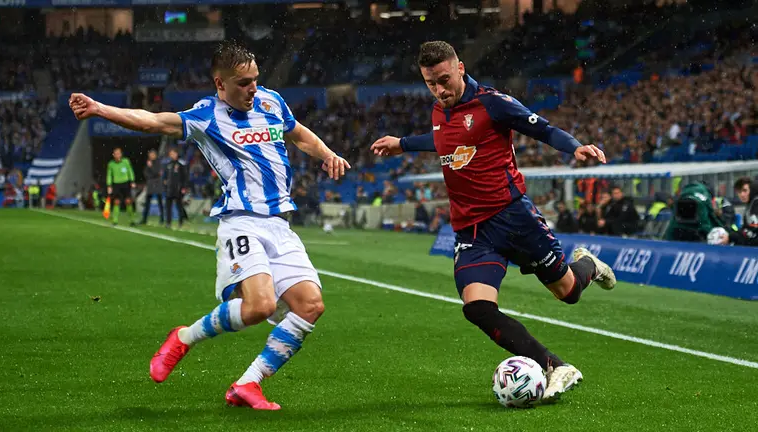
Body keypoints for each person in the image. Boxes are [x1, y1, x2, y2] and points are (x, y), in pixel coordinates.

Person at [68, 39, 350, 410]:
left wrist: (327, 154)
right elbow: (154, 121)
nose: (252, 88)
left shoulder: (271, 102)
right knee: (260, 306)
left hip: (280, 225)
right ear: (220, 83)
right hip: (241, 221)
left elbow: (298, 133)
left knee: (310, 305)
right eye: (243, 83)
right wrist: (99, 108)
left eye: (255, 79)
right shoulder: (206, 116)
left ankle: (248, 384)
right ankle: (183, 337)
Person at [370, 41, 616, 402]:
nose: (439, 90)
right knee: (477, 308)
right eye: (430, 83)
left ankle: (588, 265)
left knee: (569, 293)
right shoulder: (439, 110)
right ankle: (554, 366)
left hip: (513, 217)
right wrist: (403, 143)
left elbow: (542, 128)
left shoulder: (492, 103)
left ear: (460, 68)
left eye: (444, 80)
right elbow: (444, 140)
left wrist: (574, 146)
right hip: (471, 229)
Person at [106, 147, 136, 226]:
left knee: (128, 201)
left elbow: (130, 171)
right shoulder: (111, 164)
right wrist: (109, 185)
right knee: (116, 202)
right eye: (116, 154)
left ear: (121, 154)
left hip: (125, 183)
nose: (117, 155)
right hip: (116, 185)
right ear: (113, 155)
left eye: (119, 153)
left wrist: (132, 181)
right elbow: (109, 175)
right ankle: (115, 220)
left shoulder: (126, 161)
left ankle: (132, 220)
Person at [725, 178, 758, 246]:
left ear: (752, 189)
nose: (742, 194)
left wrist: (731, 237)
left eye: (745, 190)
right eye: (739, 192)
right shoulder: (751, 204)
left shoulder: (756, 204)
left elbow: (753, 231)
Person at [163, 148, 188, 229]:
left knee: (179, 206)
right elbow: (165, 176)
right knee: (168, 207)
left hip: (178, 189)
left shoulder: (181, 164)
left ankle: (181, 222)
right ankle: (168, 223)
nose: (172, 155)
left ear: (176, 154)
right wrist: (164, 182)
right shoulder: (168, 164)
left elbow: (185, 177)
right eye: (171, 154)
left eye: (173, 153)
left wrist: (184, 187)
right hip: (169, 189)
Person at [140, 149, 164, 225]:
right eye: (150, 155)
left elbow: (157, 172)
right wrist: (151, 175)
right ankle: (144, 219)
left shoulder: (158, 162)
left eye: (152, 155)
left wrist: (151, 167)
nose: (151, 156)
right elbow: (145, 173)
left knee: (160, 202)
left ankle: (162, 219)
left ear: (155, 155)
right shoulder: (149, 162)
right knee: (147, 202)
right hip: (150, 184)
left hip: (157, 184)